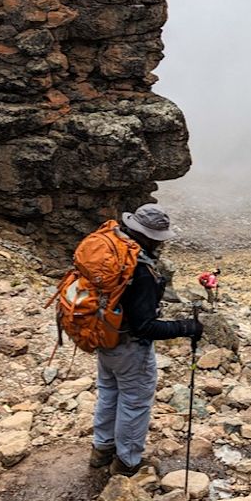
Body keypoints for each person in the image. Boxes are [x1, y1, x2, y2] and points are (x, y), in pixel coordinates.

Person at [89, 203, 204, 476]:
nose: (160, 245)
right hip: (129, 346)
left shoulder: (113, 252)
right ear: (149, 236)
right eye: (157, 240)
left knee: (108, 392)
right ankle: (127, 462)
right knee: (134, 401)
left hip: (104, 336)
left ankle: (101, 450)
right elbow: (144, 327)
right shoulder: (139, 270)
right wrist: (187, 326)